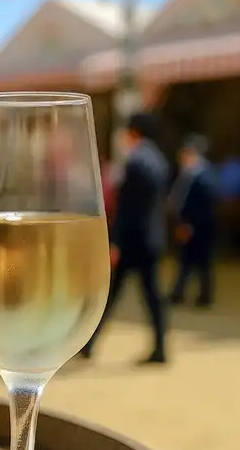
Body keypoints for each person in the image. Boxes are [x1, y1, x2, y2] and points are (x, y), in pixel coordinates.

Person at [81, 112, 169, 365]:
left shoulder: (136, 162)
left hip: (132, 242)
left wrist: (115, 241)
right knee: (151, 296)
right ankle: (159, 347)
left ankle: (90, 343)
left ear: (133, 132)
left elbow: (127, 210)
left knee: (112, 294)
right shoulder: (158, 160)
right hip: (150, 239)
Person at [169, 135, 217, 308]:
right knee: (187, 261)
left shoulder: (203, 176)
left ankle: (203, 295)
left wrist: (189, 224)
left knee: (201, 262)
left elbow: (203, 206)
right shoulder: (188, 173)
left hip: (199, 227)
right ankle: (179, 292)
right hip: (189, 224)